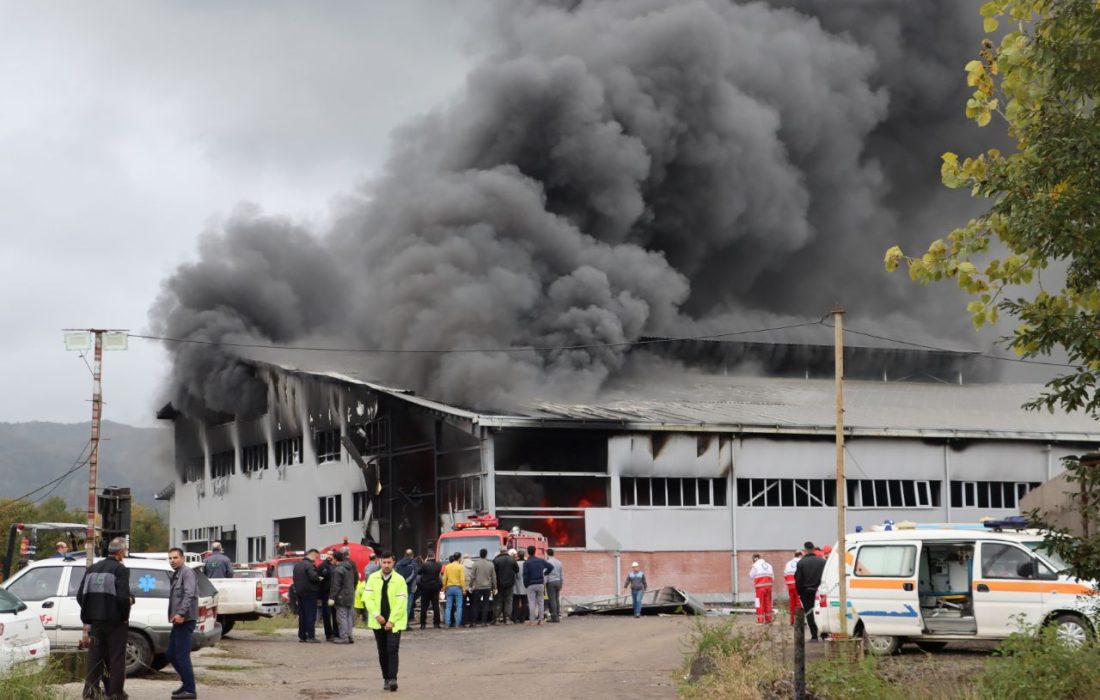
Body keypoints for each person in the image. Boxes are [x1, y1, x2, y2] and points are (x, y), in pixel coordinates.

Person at [76, 536, 132, 700]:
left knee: (95, 657)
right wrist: (124, 616)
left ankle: (90, 692)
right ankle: (115, 693)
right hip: (115, 622)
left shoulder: (92, 568)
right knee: (116, 658)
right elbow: (122, 598)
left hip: (96, 622)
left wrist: (93, 611)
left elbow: (81, 596)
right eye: (125, 551)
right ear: (121, 552)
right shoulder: (120, 569)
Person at [365, 551, 408, 692]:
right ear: (380, 562)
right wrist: (377, 615)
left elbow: (401, 602)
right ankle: (386, 678)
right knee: (382, 651)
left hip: (394, 622)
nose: (386, 565)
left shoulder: (399, 579)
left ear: (393, 562)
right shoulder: (372, 578)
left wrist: (392, 620)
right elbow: (368, 599)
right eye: (384, 562)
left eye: (389, 562)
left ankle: (393, 678)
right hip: (378, 621)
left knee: (392, 649)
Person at [167, 547, 199, 699]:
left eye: (175, 558)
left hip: (185, 620)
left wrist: (180, 613)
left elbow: (189, 594)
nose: (172, 561)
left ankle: (190, 690)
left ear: (183, 558)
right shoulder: (177, 574)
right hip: (178, 621)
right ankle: (186, 683)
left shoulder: (187, 573)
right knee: (171, 654)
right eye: (170, 558)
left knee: (181, 656)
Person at [795, 542, 826, 642]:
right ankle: (824, 634)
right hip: (820, 592)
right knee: (822, 612)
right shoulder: (822, 562)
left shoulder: (801, 563)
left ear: (804, 550)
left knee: (810, 613)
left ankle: (814, 636)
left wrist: (800, 593)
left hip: (807, 592)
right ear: (813, 549)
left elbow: (798, 580)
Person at [292, 549, 322, 642]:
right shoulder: (309, 565)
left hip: (299, 592)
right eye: (316, 557)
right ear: (312, 555)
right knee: (310, 615)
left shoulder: (297, 565)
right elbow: (313, 577)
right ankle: (311, 636)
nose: (316, 559)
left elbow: (294, 578)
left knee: (302, 615)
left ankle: (302, 636)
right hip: (309, 593)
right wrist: (319, 578)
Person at [329, 549, 357, 643]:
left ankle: (343, 637)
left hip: (341, 597)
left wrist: (332, 597)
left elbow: (336, 586)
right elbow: (355, 580)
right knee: (349, 616)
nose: (331, 560)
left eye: (332, 559)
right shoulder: (349, 567)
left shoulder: (338, 570)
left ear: (336, 559)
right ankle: (350, 636)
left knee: (342, 617)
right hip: (350, 595)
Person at [523, 545, 553, 625]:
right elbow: (551, 567)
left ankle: (532, 620)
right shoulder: (541, 561)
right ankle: (540, 619)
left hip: (530, 584)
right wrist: (545, 573)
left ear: (528, 552)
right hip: (540, 583)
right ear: (535, 551)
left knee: (532, 602)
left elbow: (525, 575)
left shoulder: (526, 562)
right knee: (541, 602)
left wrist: (526, 584)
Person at [468, 548, 497, 626]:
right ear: (486, 554)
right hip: (487, 587)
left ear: (480, 554)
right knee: (486, 604)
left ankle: (473, 622)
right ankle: (483, 622)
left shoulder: (475, 564)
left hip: (477, 587)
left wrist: (470, 586)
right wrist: (495, 587)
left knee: (476, 604)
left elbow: (472, 576)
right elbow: (494, 577)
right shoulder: (490, 564)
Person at [416, 554, 443, 629]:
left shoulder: (425, 565)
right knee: (435, 605)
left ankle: (423, 624)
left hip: (425, 587)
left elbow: (419, 572)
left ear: (427, 557)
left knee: (424, 606)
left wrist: (424, 562)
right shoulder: (439, 565)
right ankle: (436, 624)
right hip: (435, 587)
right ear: (434, 557)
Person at [492, 548, 518, 624]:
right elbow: (517, 570)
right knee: (508, 601)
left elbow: (493, 572)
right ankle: (507, 619)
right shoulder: (512, 560)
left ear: (500, 552)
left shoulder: (496, 560)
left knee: (498, 601)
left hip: (499, 584)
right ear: (506, 552)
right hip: (510, 584)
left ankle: (496, 619)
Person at [441, 552, 466, 628]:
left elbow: (444, 578)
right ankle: (458, 623)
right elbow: (462, 579)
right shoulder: (460, 567)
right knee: (459, 607)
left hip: (449, 588)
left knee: (448, 607)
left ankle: (447, 623)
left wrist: (444, 588)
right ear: (459, 558)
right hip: (458, 588)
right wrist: (464, 589)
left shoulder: (447, 566)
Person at [394, 549, 419, 623]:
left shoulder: (398, 563)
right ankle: (405, 624)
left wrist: (401, 582)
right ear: (412, 555)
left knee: (400, 606)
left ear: (404, 554)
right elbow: (414, 575)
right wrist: (405, 581)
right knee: (408, 607)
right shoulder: (414, 564)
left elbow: (395, 574)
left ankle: (399, 622)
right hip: (410, 588)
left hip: (399, 587)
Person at [749, 554, 775, 624]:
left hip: (760, 588)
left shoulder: (755, 566)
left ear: (755, 559)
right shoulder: (769, 565)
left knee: (759, 603)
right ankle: (768, 619)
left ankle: (760, 620)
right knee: (768, 603)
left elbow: (751, 575)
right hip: (769, 587)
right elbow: (773, 577)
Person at [317, 551, 336, 641]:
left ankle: (337, 633)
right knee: (327, 615)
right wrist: (319, 595)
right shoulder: (322, 566)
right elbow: (318, 580)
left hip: (335, 594)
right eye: (328, 554)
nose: (329, 555)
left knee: (336, 614)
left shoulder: (337, 565)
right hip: (326, 594)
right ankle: (328, 634)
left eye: (331, 554)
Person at [544, 548, 564, 623]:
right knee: (556, 599)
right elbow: (562, 574)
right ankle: (558, 615)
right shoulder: (559, 562)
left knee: (552, 600)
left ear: (547, 554)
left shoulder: (547, 562)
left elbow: (546, 574)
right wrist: (561, 583)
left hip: (550, 582)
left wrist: (544, 583)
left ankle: (554, 617)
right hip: (558, 581)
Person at [783, 551, 803, 625]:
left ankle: (792, 621)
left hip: (790, 585)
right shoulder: (801, 562)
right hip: (798, 585)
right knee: (799, 603)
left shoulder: (788, 563)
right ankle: (800, 621)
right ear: (800, 555)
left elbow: (785, 575)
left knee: (792, 603)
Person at [512, 550, 528, 623]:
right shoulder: (527, 563)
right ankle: (522, 618)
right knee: (524, 602)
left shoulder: (515, 563)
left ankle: (515, 618)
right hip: (525, 585)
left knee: (515, 603)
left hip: (516, 585)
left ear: (518, 555)